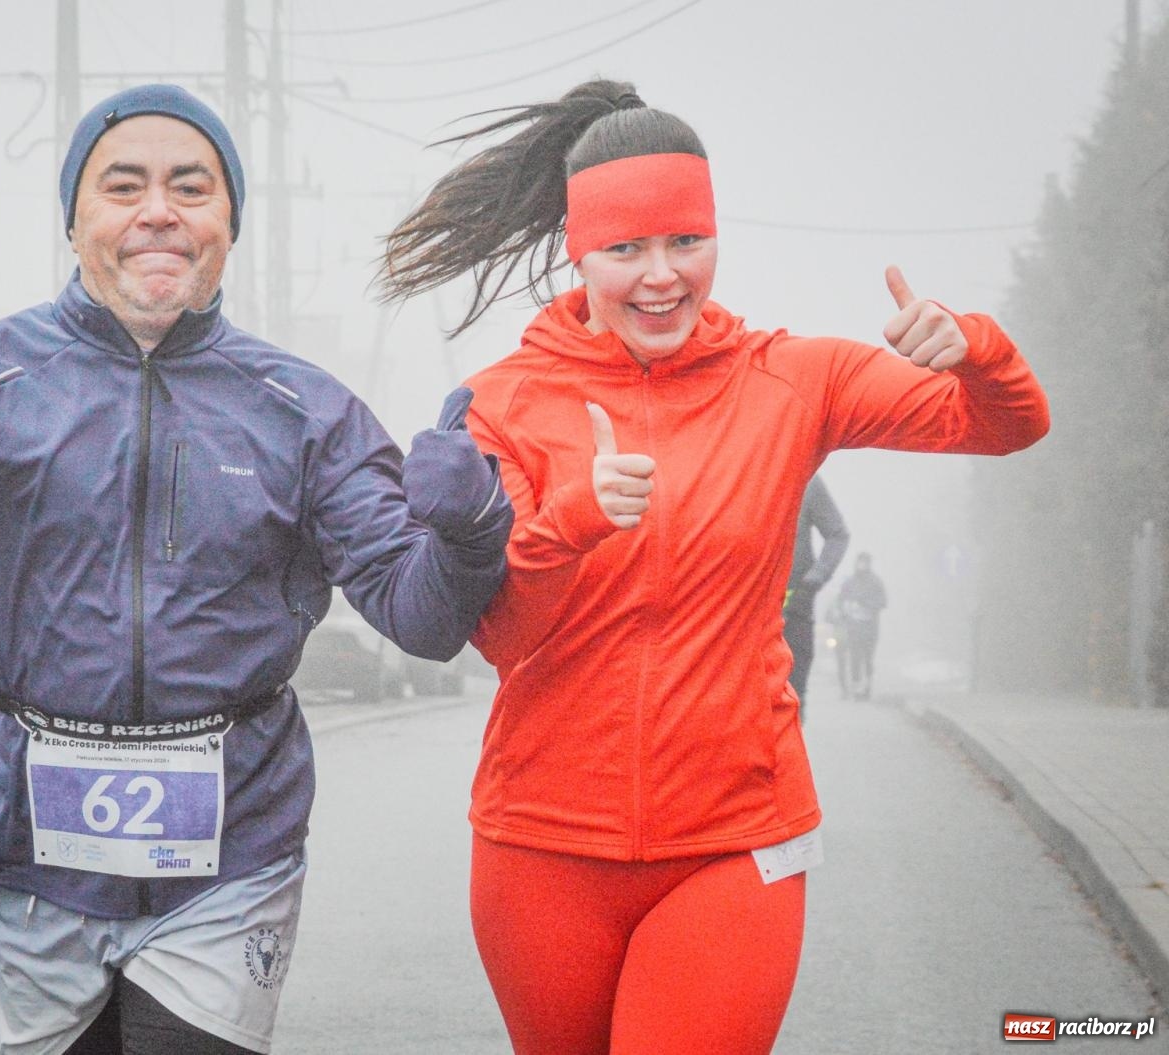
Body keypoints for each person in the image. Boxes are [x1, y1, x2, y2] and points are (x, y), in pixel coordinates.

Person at [0, 84, 512, 1055]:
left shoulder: (307, 410)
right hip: (24, 835)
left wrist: (468, 529)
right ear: (76, 220)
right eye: (123, 186)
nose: (159, 209)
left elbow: (422, 617)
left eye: (191, 187)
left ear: (227, 223)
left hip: (232, 842)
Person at [376, 79, 1049, 1055]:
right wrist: (572, 520)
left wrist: (974, 349)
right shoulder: (502, 401)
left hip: (737, 839)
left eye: (685, 241)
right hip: (539, 849)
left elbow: (1004, 424)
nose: (661, 276)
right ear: (580, 251)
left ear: (714, 239)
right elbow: (505, 639)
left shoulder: (791, 379)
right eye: (625, 248)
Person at [785, 474, 850, 719]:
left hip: (795, 611)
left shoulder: (807, 479)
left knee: (793, 695)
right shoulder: (739, 470)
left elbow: (838, 534)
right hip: (744, 614)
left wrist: (815, 578)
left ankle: (789, 751)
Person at [837, 551, 889, 700]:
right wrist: (845, 610)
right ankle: (856, 686)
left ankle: (867, 686)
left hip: (870, 627)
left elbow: (883, 602)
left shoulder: (876, 582)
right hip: (853, 627)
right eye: (860, 561)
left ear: (869, 564)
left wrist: (866, 605)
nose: (862, 565)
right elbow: (841, 600)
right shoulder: (850, 582)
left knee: (868, 657)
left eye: (865, 562)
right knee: (855, 657)